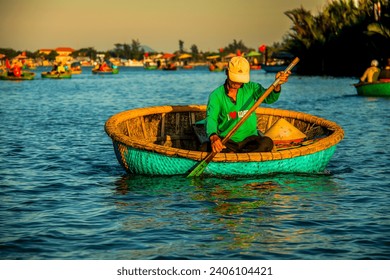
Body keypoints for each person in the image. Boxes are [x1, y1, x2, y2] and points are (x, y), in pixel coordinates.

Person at [206, 56, 291, 153]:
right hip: (227, 142)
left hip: (250, 140)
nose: (238, 83)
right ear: (226, 73)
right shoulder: (216, 95)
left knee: (267, 143)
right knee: (204, 147)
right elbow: (211, 118)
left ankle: (242, 155)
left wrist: (277, 84)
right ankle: (238, 154)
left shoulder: (252, 88)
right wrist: (213, 136)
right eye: (235, 79)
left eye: (240, 80)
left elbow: (270, 98)